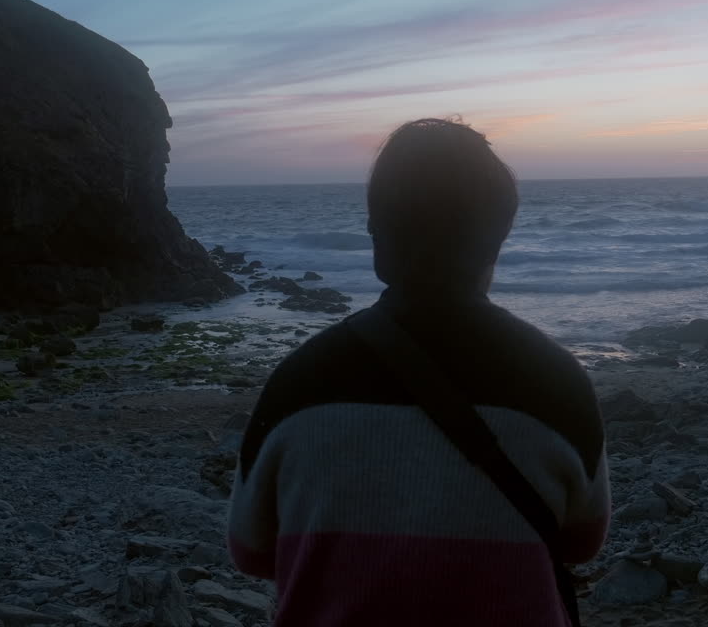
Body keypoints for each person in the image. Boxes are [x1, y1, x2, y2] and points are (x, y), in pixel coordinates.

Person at [227, 118, 611, 626]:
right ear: (499, 237)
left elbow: (250, 551)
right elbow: (583, 543)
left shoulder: (298, 384)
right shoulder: (559, 382)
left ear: (375, 235)